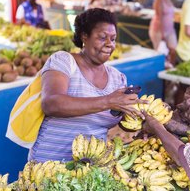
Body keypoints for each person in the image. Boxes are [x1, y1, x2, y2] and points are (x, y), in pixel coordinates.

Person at [29, 8, 146, 162]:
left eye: (113, 39)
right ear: (85, 36)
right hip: (49, 165)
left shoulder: (118, 79)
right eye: (102, 37)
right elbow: (51, 104)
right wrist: (108, 101)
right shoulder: (63, 61)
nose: (109, 44)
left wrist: (140, 121)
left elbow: (119, 124)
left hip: (92, 169)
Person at [149, 0, 177, 67]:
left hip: (170, 29)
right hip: (158, 30)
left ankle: (171, 67)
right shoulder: (159, 0)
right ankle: (159, 69)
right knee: (159, 53)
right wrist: (162, 34)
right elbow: (159, 19)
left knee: (173, 51)